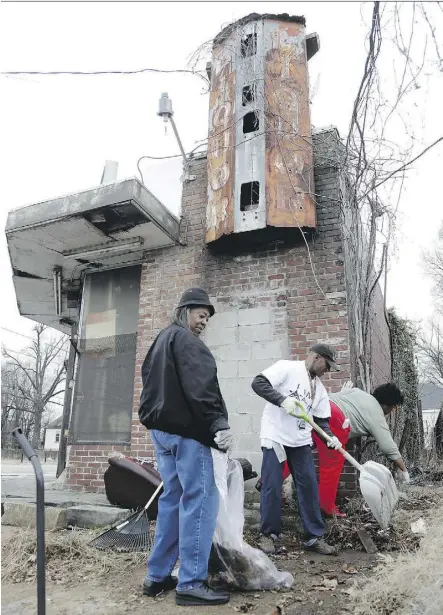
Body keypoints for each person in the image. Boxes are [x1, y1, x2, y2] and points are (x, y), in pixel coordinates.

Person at [139, 288, 232, 606]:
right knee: (201, 500)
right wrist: (219, 424)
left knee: (172, 501)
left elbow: (147, 381)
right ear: (184, 311)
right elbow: (202, 386)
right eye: (200, 314)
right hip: (188, 434)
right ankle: (191, 582)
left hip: (161, 432)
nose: (204, 321)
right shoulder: (189, 342)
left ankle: (157, 576)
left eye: (207, 317)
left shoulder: (160, 341)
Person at [251, 343, 341, 555]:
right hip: (276, 435)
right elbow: (258, 383)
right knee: (272, 485)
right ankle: (268, 536)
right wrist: (282, 401)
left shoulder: (319, 388)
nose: (327, 372)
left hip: (300, 440)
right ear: (317, 358)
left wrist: (331, 438)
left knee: (309, 485)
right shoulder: (287, 368)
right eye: (327, 366)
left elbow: (321, 421)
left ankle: (314, 537)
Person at [312, 381, 410, 516]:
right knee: (331, 466)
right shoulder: (375, 412)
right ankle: (327, 508)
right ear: (386, 404)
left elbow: (339, 396)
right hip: (334, 419)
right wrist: (405, 471)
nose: (393, 411)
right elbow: (389, 447)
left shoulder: (358, 392)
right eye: (393, 408)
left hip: (318, 409)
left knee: (295, 453)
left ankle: (276, 491)